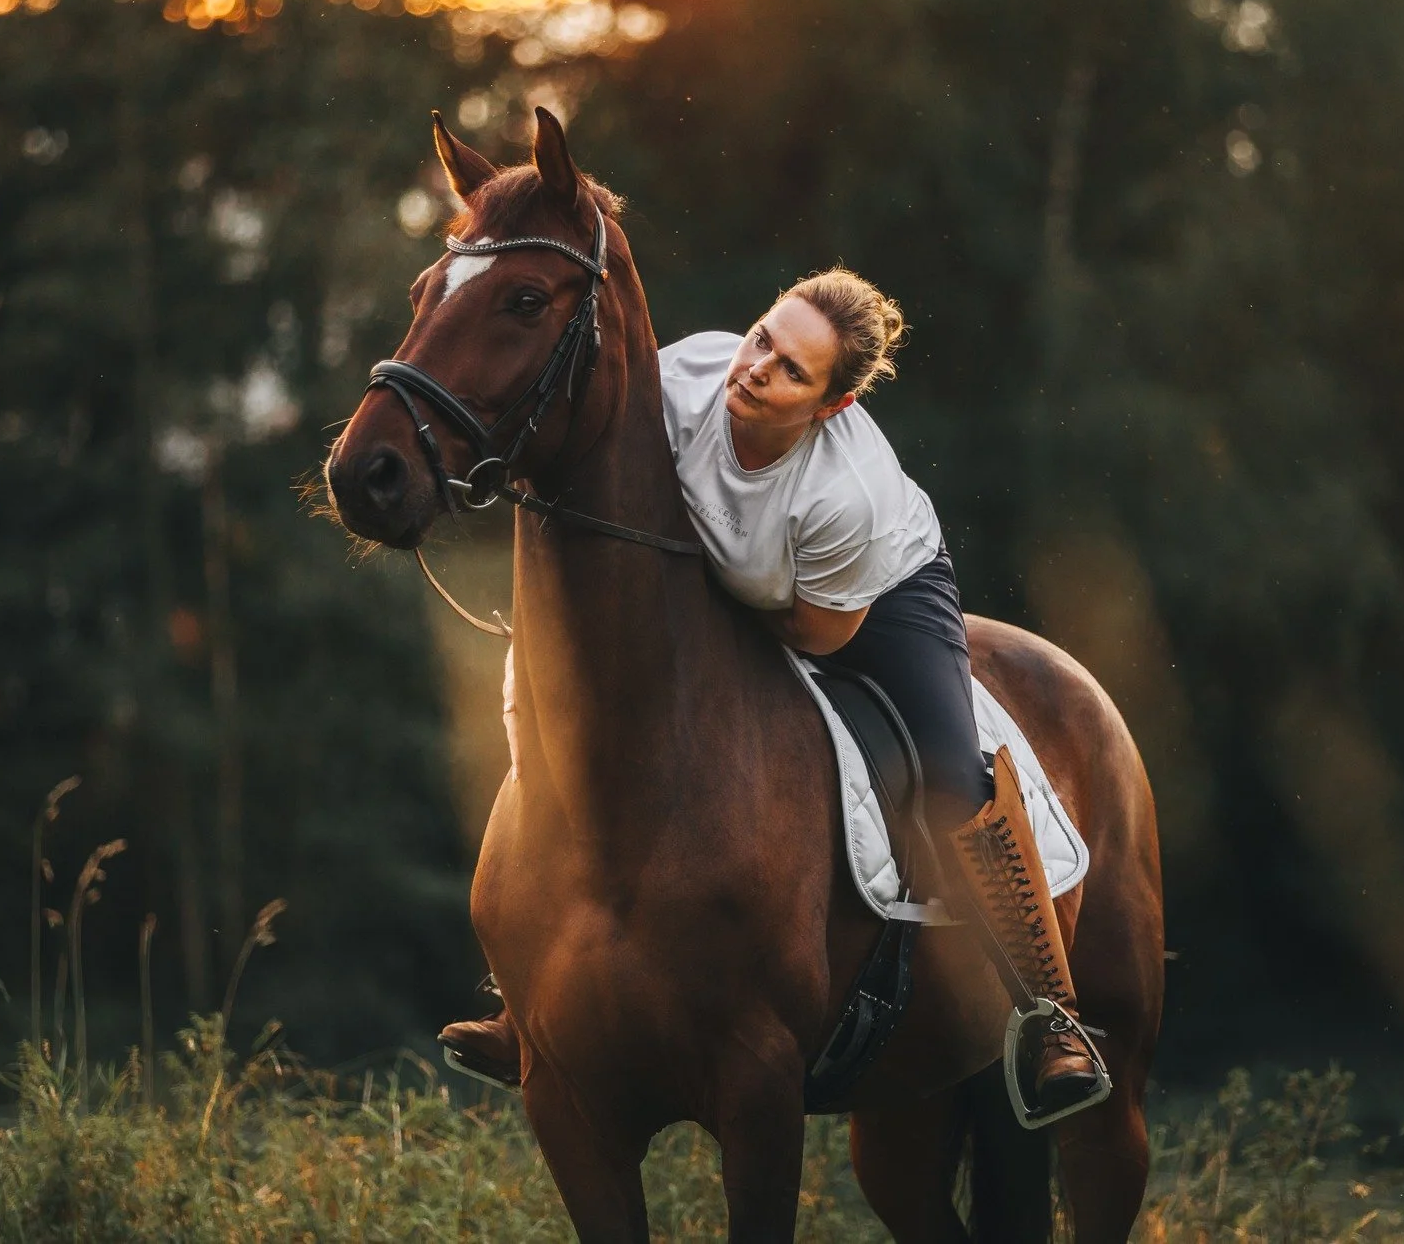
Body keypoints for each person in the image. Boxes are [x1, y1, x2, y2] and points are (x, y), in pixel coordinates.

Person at [439, 269, 1106, 1118]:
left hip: (868, 599)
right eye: (762, 338)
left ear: (829, 406)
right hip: (725, 584)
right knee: (554, 693)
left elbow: (815, 634)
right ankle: (523, 998)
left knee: (945, 766)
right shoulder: (681, 379)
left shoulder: (846, 495)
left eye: (792, 369)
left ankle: (1052, 1014)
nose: (756, 368)